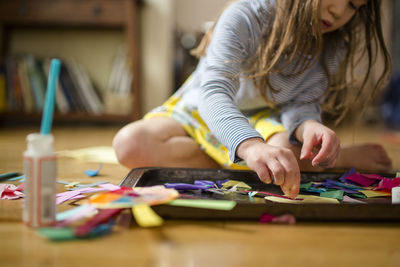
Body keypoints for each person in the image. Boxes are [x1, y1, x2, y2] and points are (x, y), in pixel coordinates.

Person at [113, 0, 392, 199]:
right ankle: (257, 163)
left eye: (354, 5)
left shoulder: (331, 43)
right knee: (129, 144)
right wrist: (250, 146)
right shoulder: (244, 15)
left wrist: (308, 126)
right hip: (203, 107)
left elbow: (300, 103)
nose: (340, 10)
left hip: (264, 118)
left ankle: (265, 162)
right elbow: (214, 93)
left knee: (283, 154)